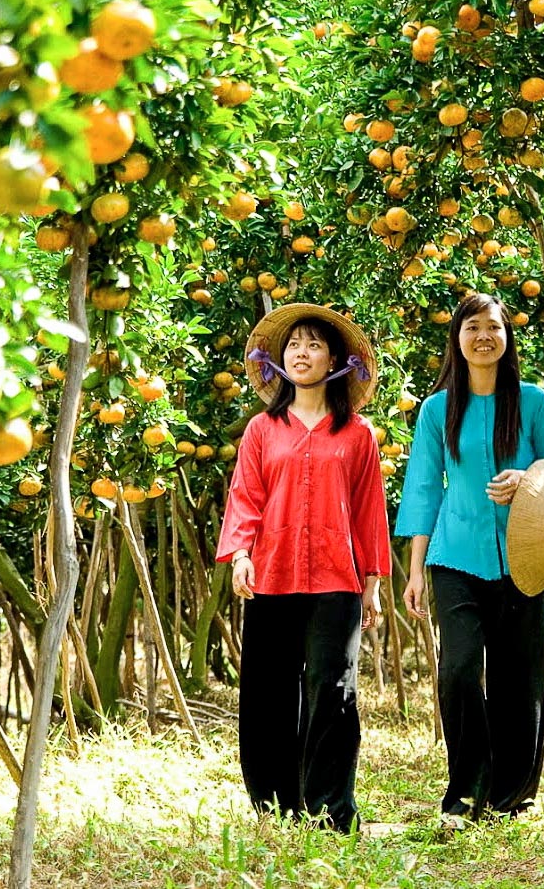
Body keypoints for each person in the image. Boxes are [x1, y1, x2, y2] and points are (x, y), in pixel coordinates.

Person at [397, 291, 544, 825]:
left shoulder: (533, 400)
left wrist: (526, 479)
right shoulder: (436, 409)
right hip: (456, 557)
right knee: (460, 669)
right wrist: (416, 570)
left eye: (492, 327)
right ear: (457, 338)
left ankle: (511, 797)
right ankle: (466, 790)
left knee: (521, 681)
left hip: (525, 556)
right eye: (471, 327)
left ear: (506, 336)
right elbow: (424, 487)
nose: (483, 337)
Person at [216, 303, 390, 832]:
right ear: (279, 360)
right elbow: (246, 496)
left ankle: (332, 810)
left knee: (333, 689)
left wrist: (374, 583)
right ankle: (276, 804)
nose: (302, 353)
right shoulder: (261, 430)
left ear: (335, 360)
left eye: (314, 344)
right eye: (293, 345)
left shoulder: (357, 434)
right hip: (272, 573)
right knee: (269, 689)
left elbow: (367, 507)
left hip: (338, 578)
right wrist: (241, 553)